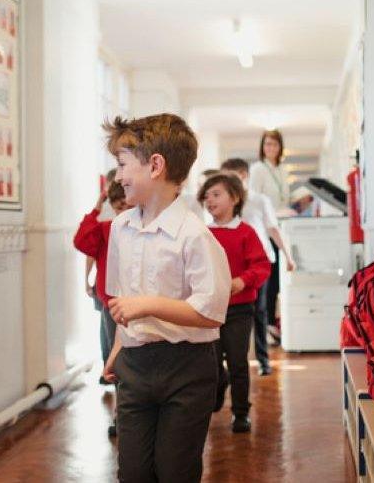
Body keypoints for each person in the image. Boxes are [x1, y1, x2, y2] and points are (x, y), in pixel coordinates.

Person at [101, 114, 230, 483]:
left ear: (155, 165)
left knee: (176, 471)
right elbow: (122, 299)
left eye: (123, 164)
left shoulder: (195, 236)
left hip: (186, 368)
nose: (119, 176)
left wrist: (147, 305)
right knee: (134, 472)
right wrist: (117, 346)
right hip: (135, 363)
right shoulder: (120, 228)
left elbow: (210, 313)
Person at [198, 173, 270, 432]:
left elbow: (261, 266)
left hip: (240, 310)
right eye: (206, 196)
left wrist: (242, 281)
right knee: (211, 363)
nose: (209, 200)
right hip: (209, 312)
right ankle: (218, 388)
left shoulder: (246, 233)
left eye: (216, 194)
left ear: (235, 198)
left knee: (239, 362)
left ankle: (241, 413)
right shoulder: (202, 234)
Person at [219, 158, 295, 375]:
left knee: (259, 311)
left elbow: (272, 229)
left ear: (243, 176)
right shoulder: (225, 202)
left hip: (260, 262)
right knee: (233, 312)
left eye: (231, 176)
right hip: (234, 265)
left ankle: (263, 360)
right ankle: (232, 360)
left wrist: (288, 256)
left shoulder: (259, 200)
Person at [73, 180, 133, 438]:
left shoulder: (141, 226)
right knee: (117, 359)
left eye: (126, 207)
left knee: (137, 359)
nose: (123, 213)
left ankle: (134, 413)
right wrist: (96, 209)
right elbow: (82, 242)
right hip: (112, 303)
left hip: (140, 302)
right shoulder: (106, 228)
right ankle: (121, 415)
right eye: (118, 208)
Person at [248, 129, 292, 340]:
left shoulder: (283, 169)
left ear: (280, 147)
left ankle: (275, 323)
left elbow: (284, 197)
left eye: (274, 144)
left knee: (279, 281)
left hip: (283, 226)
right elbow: (255, 202)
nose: (270, 148)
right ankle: (265, 327)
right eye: (267, 144)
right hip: (266, 230)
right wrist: (276, 213)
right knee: (270, 280)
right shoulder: (257, 169)